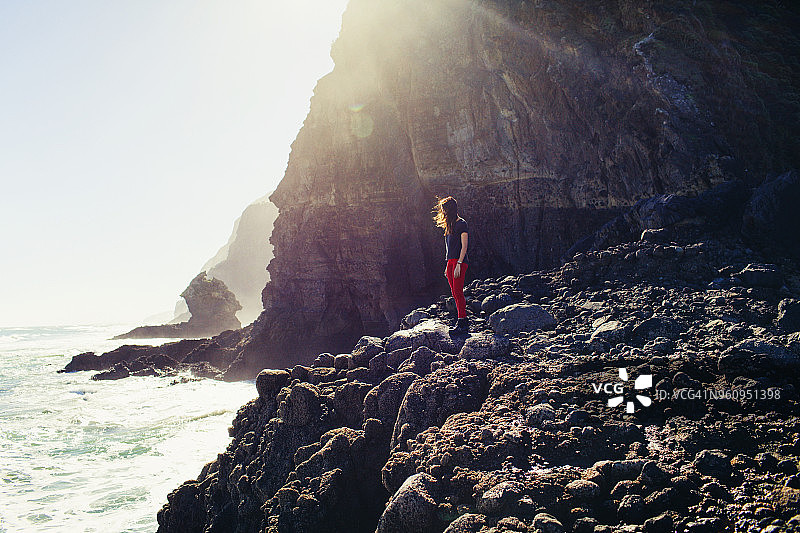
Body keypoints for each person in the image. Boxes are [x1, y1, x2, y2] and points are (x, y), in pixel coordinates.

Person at [433, 196, 469, 334]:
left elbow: (464, 246)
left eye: (445, 209)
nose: (443, 212)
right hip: (450, 262)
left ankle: (463, 322)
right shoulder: (450, 225)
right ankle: (461, 320)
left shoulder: (462, 224)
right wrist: (448, 265)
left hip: (459, 262)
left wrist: (459, 263)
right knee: (454, 293)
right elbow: (450, 248)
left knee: (458, 292)